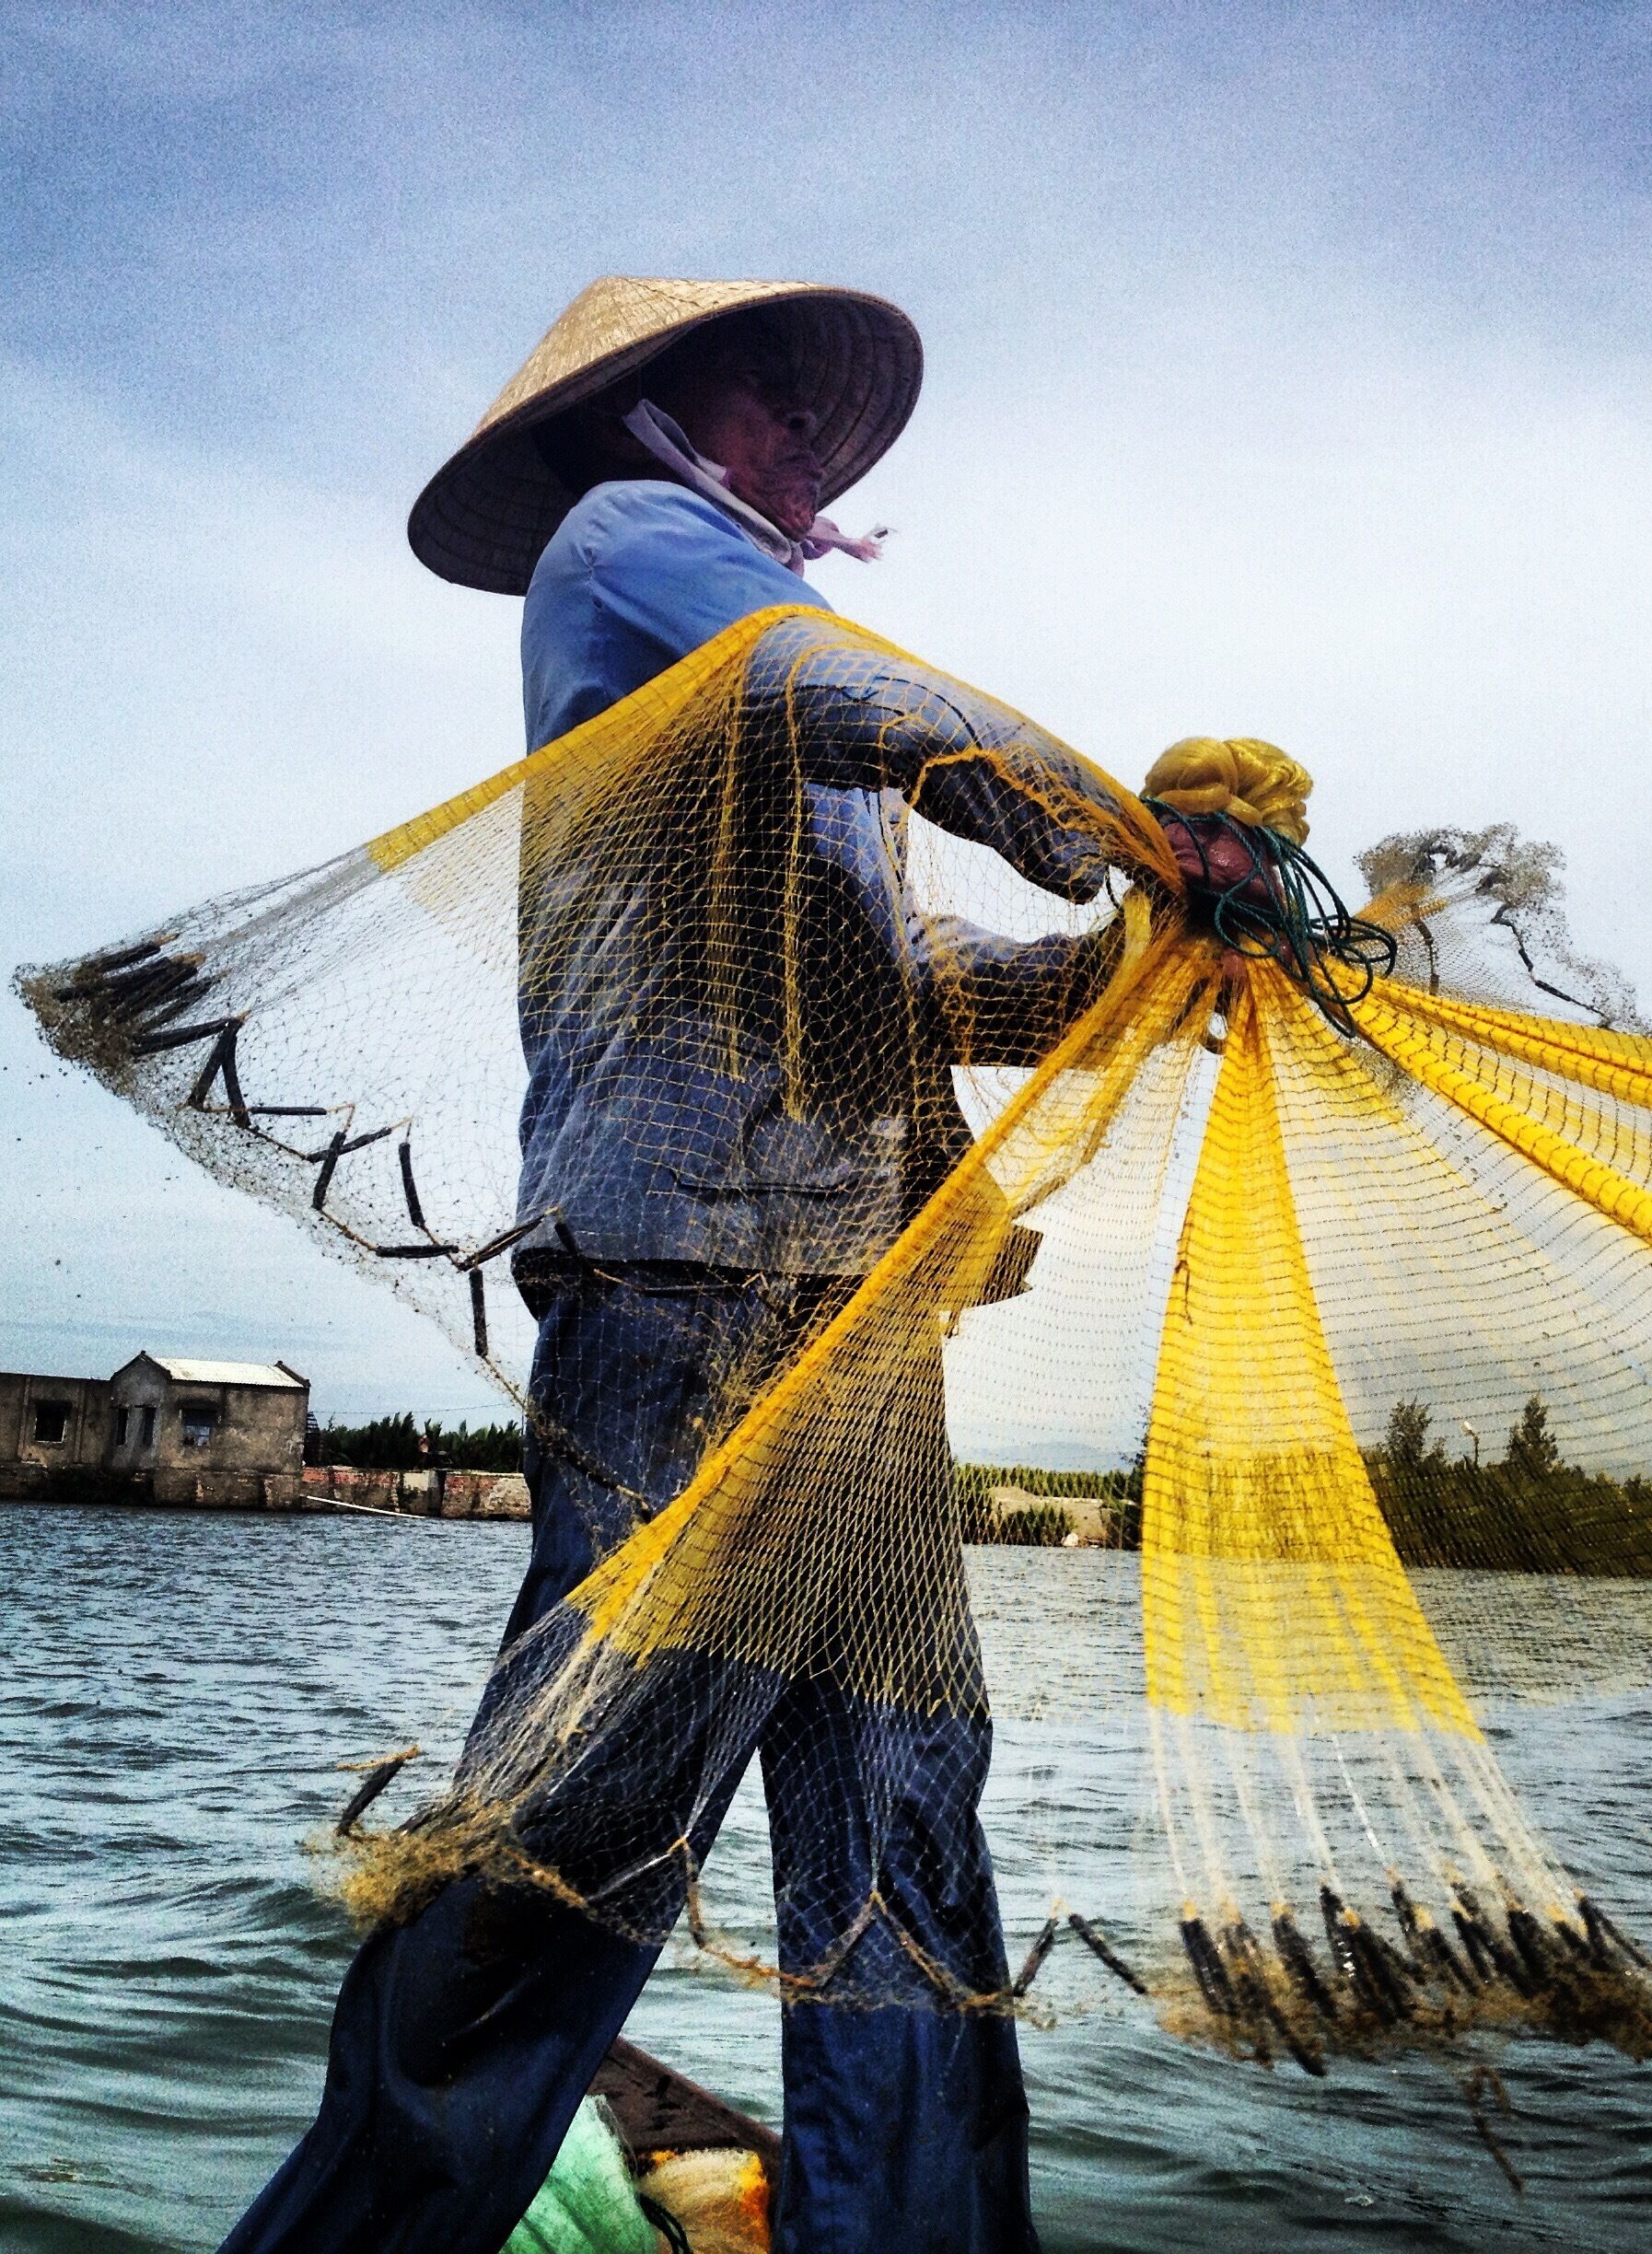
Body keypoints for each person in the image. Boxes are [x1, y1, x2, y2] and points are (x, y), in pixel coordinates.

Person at [222, 276, 1169, 2254]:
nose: (812, 440)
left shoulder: (790, 721)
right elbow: (856, 694)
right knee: (584, 1815)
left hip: (847, 1304)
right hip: (692, 1281)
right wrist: (1118, 822)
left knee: (903, 1814)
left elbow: (920, 983)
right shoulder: (639, 551)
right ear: (648, 413)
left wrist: (1136, 971)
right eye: (772, 396)